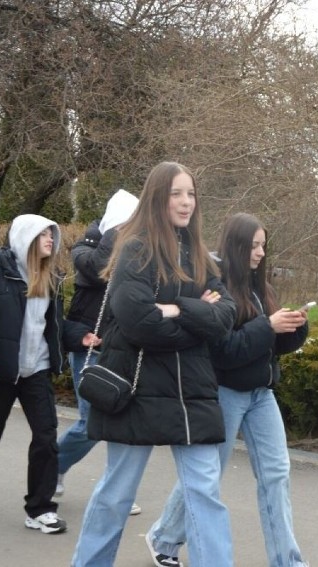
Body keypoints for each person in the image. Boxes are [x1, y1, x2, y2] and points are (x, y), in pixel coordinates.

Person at [71, 161, 237, 567]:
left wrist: (177, 308)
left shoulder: (200, 255)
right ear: (157, 198)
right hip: (136, 389)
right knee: (116, 494)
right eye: (176, 193)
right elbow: (138, 321)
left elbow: (226, 316)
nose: (185, 202)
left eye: (191, 194)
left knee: (205, 494)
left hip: (191, 394)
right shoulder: (136, 248)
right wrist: (197, 316)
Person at [145, 212, 310, 567]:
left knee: (277, 475)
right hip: (225, 393)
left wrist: (294, 329)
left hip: (261, 395)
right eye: (254, 245)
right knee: (207, 475)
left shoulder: (261, 286)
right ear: (236, 245)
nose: (261, 253)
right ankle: (164, 538)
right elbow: (225, 352)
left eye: (264, 245)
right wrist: (268, 326)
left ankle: (288, 562)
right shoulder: (215, 286)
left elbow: (267, 347)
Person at [0, 214, 92, 533]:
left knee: (46, 438)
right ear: (26, 239)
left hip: (37, 371)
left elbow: (54, 326)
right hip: (2, 373)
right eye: (43, 234)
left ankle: (40, 509)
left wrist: (80, 336)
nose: (50, 239)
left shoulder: (52, 277)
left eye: (52, 234)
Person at [56, 189, 142, 517]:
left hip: (121, 348)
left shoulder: (136, 254)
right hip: (88, 349)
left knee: (123, 421)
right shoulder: (85, 248)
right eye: (128, 225)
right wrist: (113, 233)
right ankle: (52, 468)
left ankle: (117, 490)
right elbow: (98, 268)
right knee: (89, 421)